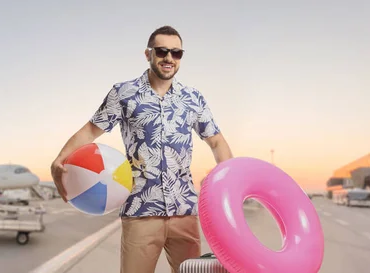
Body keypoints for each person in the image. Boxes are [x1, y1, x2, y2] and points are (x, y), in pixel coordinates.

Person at [50, 25, 233, 273]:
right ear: (148, 54)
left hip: (184, 213)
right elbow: (91, 131)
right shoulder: (123, 93)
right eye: (162, 51)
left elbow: (216, 141)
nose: (169, 58)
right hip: (140, 211)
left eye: (176, 53)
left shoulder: (193, 98)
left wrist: (228, 184)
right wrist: (61, 158)